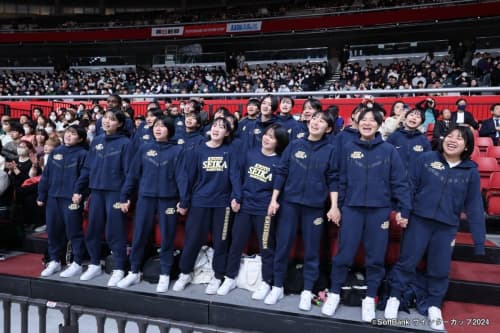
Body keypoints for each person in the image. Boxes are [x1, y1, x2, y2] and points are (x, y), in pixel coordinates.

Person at [384, 126, 485, 331]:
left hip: (446, 227)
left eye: (459, 138)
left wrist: (479, 241)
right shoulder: (426, 159)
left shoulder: (471, 171)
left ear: (467, 146)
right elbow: (409, 186)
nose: (452, 140)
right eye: (449, 136)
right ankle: (394, 297)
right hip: (418, 220)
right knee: (406, 262)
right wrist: (404, 211)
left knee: (439, 269)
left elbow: (474, 206)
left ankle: (434, 305)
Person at [322, 108, 411, 322]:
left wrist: (404, 209)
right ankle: (334, 293)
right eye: (364, 119)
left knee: (375, 258)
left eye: (373, 120)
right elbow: (340, 180)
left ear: (380, 124)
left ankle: (370, 298)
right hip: (351, 209)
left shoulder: (389, 151)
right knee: (343, 255)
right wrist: (337, 207)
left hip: (379, 211)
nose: (368, 123)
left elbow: (400, 183)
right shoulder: (347, 148)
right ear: (356, 122)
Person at [265, 112, 337, 311]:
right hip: (289, 204)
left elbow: (333, 179)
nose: (316, 122)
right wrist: (274, 200)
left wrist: (334, 206)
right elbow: (281, 172)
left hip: (314, 208)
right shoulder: (294, 145)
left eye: (322, 120)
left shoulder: (331, 150)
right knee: (282, 246)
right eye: (314, 118)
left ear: (328, 129)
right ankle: (277, 285)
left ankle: (307, 291)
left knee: (312, 251)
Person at [217, 124, 289, 299]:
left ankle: (266, 282)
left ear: (278, 142)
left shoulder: (279, 161)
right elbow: (237, 177)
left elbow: (278, 189)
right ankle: (230, 277)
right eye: (266, 134)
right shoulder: (250, 154)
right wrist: (236, 197)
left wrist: (273, 204)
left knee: (266, 247)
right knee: (236, 243)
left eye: (272, 137)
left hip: (264, 210)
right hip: (245, 206)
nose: (267, 138)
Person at [117, 117, 189, 292]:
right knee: (139, 234)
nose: (158, 129)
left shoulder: (178, 150)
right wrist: (125, 195)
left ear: (169, 130)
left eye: (163, 126)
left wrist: (184, 200)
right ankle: (134, 271)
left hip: (169, 199)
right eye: (156, 126)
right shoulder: (144, 148)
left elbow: (182, 177)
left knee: (167, 236)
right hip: (145, 198)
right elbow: (133, 175)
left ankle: (164, 274)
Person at [172, 117, 241, 294]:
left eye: (222, 127)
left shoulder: (231, 151)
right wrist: (185, 200)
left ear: (227, 133)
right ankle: (185, 273)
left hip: (222, 204)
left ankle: (218, 276)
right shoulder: (197, 150)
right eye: (215, 126)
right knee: (193, 240)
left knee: (221, 241)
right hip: (199, 202)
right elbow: (189, 178)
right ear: (210, 129)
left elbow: (234, 176)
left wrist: (236, 197)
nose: (217, 129)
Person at [73, 111, 133, 286]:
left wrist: (125, 195)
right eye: (105, 118)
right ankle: (94, 263)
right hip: (96, 191)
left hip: (115, 192)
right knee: (93, 229)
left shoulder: (126, 143)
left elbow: (130, 173)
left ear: (120, 124)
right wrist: (79, 189)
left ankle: (120, 267)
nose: (107, 121)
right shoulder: (97, 141)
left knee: (115, 231)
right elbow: (87, 168)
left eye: (112, 119)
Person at [37, 125, 88, 278]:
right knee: (53, 231)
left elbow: (85, 177)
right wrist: (41, 194)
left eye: (73, 134)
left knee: (74, 231)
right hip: (53, 198)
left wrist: (80, 193)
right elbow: (46, 175)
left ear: (80, 138)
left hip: (71, 198)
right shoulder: (56, 152)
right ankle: (54, 261)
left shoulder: (83, 154)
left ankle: (77, 262)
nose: (68, 136)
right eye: (67, 133)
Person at [386, 109, 431, 175]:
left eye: (418, 117)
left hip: (415, 181)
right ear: (405, 118)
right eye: (411, 115)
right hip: (395, 179)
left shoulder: (424, 140)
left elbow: (428, 161)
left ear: (421, 122)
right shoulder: (394, 136)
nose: (414, 118)